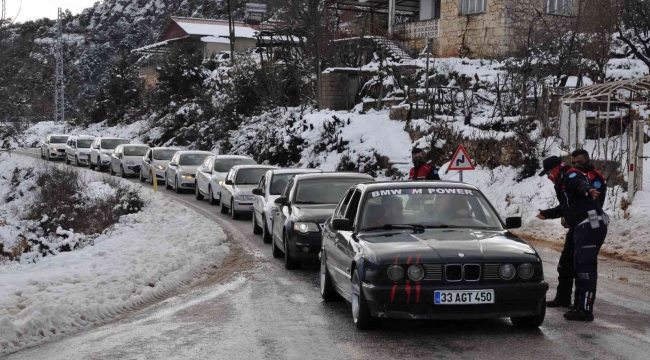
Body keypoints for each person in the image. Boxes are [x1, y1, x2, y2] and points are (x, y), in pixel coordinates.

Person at [536, 156, 608, 321]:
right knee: (570, 262)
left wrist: (588, 190)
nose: (548, 177)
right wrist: (547, 214)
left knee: (585, 267)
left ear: (555, 169)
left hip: (591, 222)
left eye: (548, 173)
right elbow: (566, 206)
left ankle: (585, 309)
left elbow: (579, 184)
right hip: (580, 224)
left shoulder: (570, 175)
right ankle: (572, 302)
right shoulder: (562, 181)